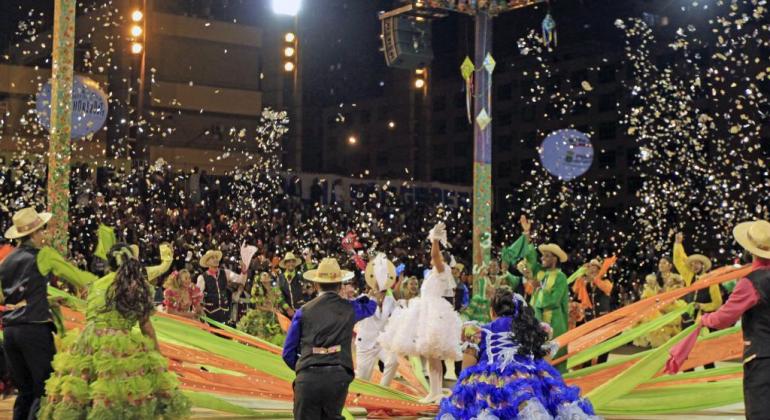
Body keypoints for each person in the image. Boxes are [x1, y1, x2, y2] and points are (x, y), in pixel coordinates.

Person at [39, 242, 189, 419]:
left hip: (88, 342)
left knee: (85, 394)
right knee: (121, 394)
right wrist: (157, 353)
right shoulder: (136, 285)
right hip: (120, 345)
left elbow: (91, 314)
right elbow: (145, 324)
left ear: (109, 263)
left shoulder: (96, 284)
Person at [437, 287, 598, 419]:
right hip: (526, 382)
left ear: (492, 311)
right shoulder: (532, 329)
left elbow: (467, 366)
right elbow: (545, 362)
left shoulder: (479, 330)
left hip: (492, 383)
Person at [667, 220, 770, 419]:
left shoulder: (752, 282)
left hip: (763, 358)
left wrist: (705, 319)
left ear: (751, 251)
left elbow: (724, 317)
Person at [0, 207, 97, 420]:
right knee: (42, 388)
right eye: (42, 230)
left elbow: (6, 299)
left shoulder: (5, 262)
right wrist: (105, 282)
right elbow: (78, 277)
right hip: (34, 329)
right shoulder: (43, 255)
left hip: (10, 333)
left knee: (24, 391)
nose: (43, 234)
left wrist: (45, 299)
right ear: (34, 234)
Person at [282, 258, 376, 419]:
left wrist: (304, 365)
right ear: (340, 285)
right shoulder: (349, 308)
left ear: (316, 285)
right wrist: (372, 295)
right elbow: (370, 307)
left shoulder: (303, 311)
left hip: (308, 378)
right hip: (337, 378)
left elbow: (287, 353)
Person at [379, 222, 462, 404]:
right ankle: (436, 391)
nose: (433, 258)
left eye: (438, 257)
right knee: (433, 356)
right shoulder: (435, 273)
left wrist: (435, 241)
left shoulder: (442, 269)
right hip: (428, 311)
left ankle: (435, 392)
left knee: (433, 356)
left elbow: (434, 254)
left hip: (434, 314)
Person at [354, 254, 399, 387]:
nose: (382, 291)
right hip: (365, 344)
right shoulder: (363, 298)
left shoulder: (390, 301)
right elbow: (360, 312)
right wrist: (371, 297)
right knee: (362, 382)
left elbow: (398, 316)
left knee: (393, 361)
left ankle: (383, 392)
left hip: (381, 343)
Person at [196, 249, 246, 323]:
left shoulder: (225, 273)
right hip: (209, 315)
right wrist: (200, 311)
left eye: (216, 257)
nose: (216, 259)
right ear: (207, 262)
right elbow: (197, 297)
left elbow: (240, 279)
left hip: (224, 314)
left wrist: (244, 271)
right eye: (212, 258)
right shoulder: (202, 277)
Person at [237, 272, 287, 346]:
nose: (265, 276)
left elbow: (279, 302)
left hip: (273, 318)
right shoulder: (258, 290)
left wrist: (277, 310)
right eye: (263, 275)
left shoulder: (276, 290)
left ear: (270, 278)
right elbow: (257, 306)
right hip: (261, 318)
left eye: (266, 275)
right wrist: (269, 309)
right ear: (260, 279)